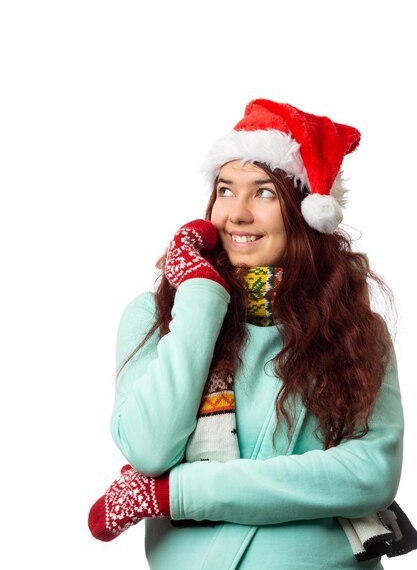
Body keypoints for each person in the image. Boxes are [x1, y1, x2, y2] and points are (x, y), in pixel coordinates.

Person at [88, 99, 416, 569]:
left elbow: (371, 474)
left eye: (263, 193)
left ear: (305, 211)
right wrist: (200, 296)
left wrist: (175, 494)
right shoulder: (154, 316)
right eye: (225, 190)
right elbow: (149, 448)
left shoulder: (355, 329)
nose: (236, 215)